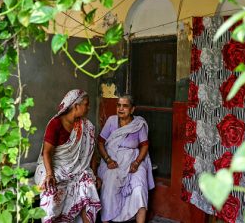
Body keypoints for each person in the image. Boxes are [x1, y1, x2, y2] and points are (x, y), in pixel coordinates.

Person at [34, 89, 101, 223]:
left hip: (78, 169)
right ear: (76, 106)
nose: (88, 107)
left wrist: (94, 175)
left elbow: (91, 153)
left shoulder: (87, 127)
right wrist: (49, 174)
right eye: (86, 104)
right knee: (51, 192)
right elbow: (46, 152)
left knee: (88, 186)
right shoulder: (55, 124)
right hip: (54, 168)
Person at [97, 95, 155, 223]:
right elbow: (100, 142)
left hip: (134, 159)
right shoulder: (111, 121)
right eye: (118, 105)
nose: (121, 109)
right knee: (110, 184)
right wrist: (108, 160)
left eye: (125, 106)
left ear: (132, 109)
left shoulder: (138, 124)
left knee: (139, 188)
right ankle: (106, 219)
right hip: (113, 159)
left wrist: (137, 162)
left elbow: (145, 145)